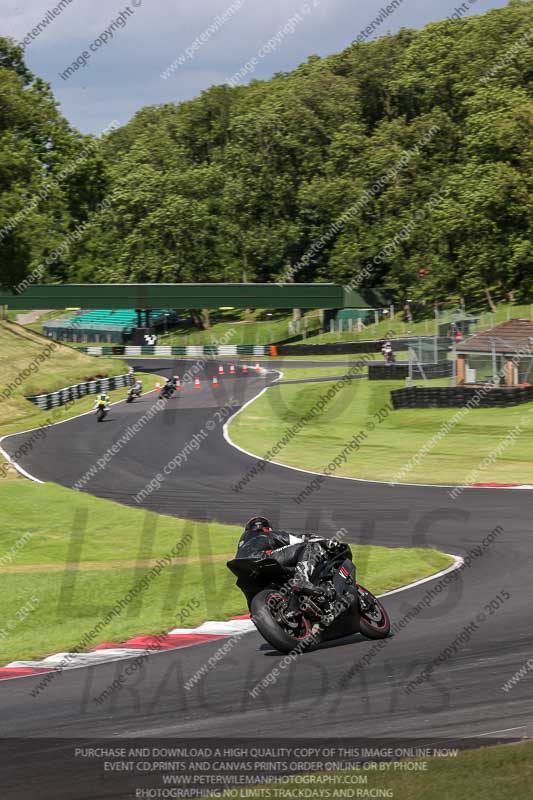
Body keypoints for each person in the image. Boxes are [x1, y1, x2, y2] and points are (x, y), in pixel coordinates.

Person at [235, 516, 346, 597]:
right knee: (308, 547)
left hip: (242, 572)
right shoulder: (267, 534)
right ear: (266, 528)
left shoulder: (242, 545)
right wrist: (327, 542)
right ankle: (301, 579)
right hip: (262, 558)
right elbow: (301, 539)